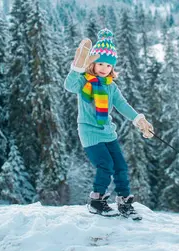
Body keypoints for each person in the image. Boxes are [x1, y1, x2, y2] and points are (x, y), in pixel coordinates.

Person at [64, 28, 153, 220]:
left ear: (112, 68)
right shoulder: (83, 81)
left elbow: (122, 105)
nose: (104, 68)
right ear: (92, 64)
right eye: (100, 63)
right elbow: (68, 86)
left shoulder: (111, 86)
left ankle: (124, 202)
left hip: (108, 132)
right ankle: (97, 201)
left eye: (108, 65)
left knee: (120, 166)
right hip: (89, 132)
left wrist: (139, 120)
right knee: (105, 165)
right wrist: (77, 68)